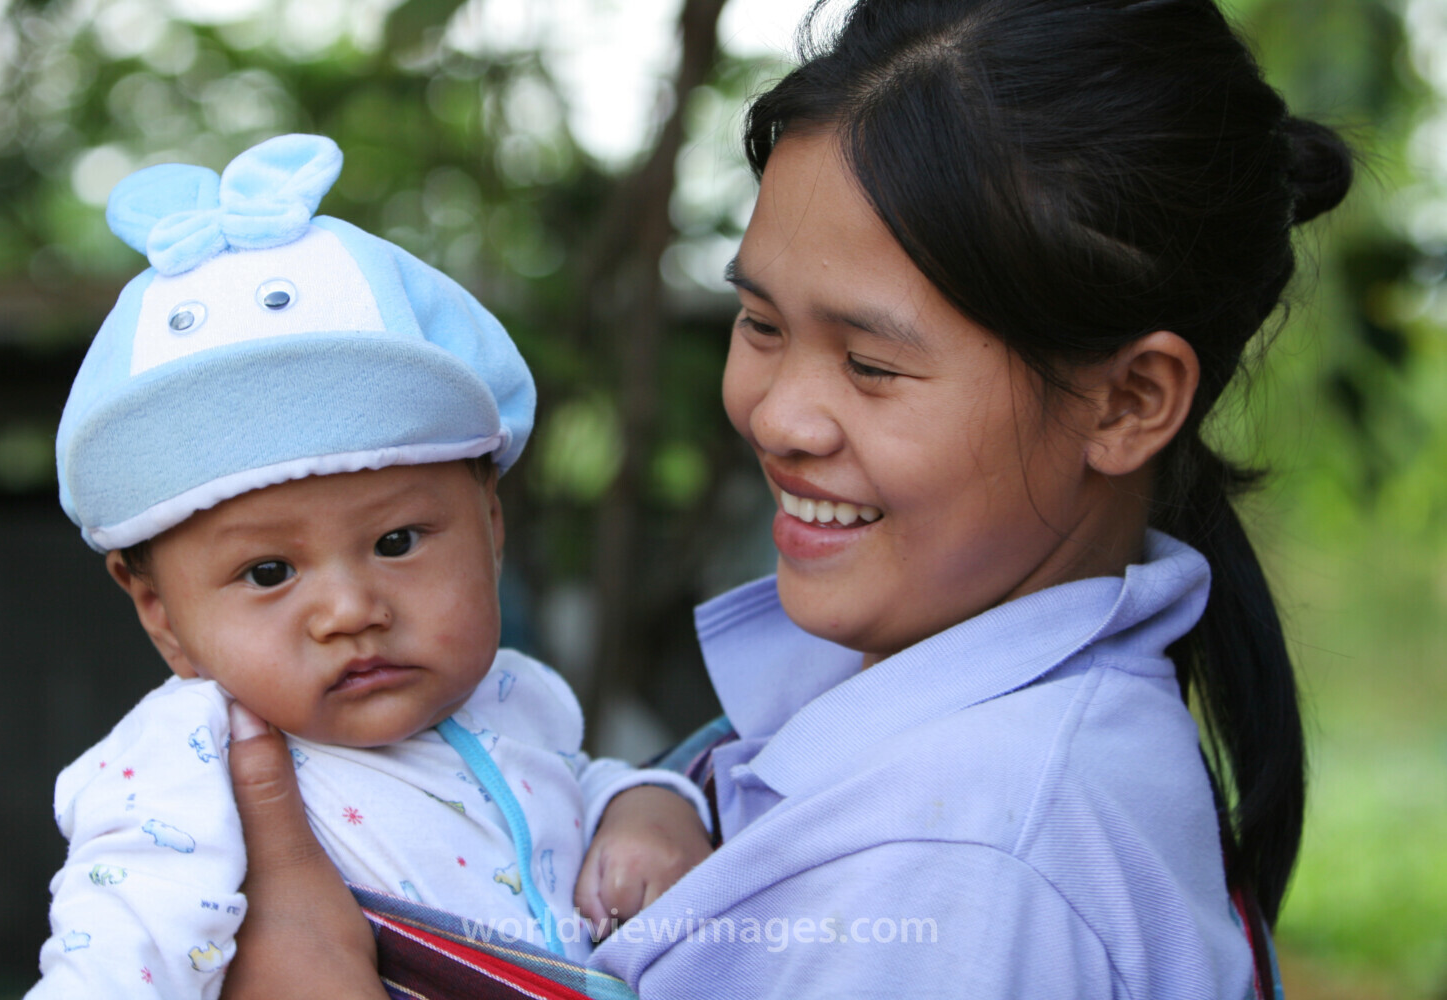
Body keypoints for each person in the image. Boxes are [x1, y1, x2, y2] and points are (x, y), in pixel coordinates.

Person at [217, 0, 1355, 997]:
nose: (778, 415)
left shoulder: (960, 862)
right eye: (761, 325)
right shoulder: (924, 720)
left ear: (1127, 402)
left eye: (873, 365)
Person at [28, 133, 713, 1000]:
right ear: (161, 613)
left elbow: (572, 784)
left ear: (490, 526)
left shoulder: (506, 696)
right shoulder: (190, 759)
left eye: (397, 543)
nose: (350, 609)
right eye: (270, 571)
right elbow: (114, 956)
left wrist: (648, 806)